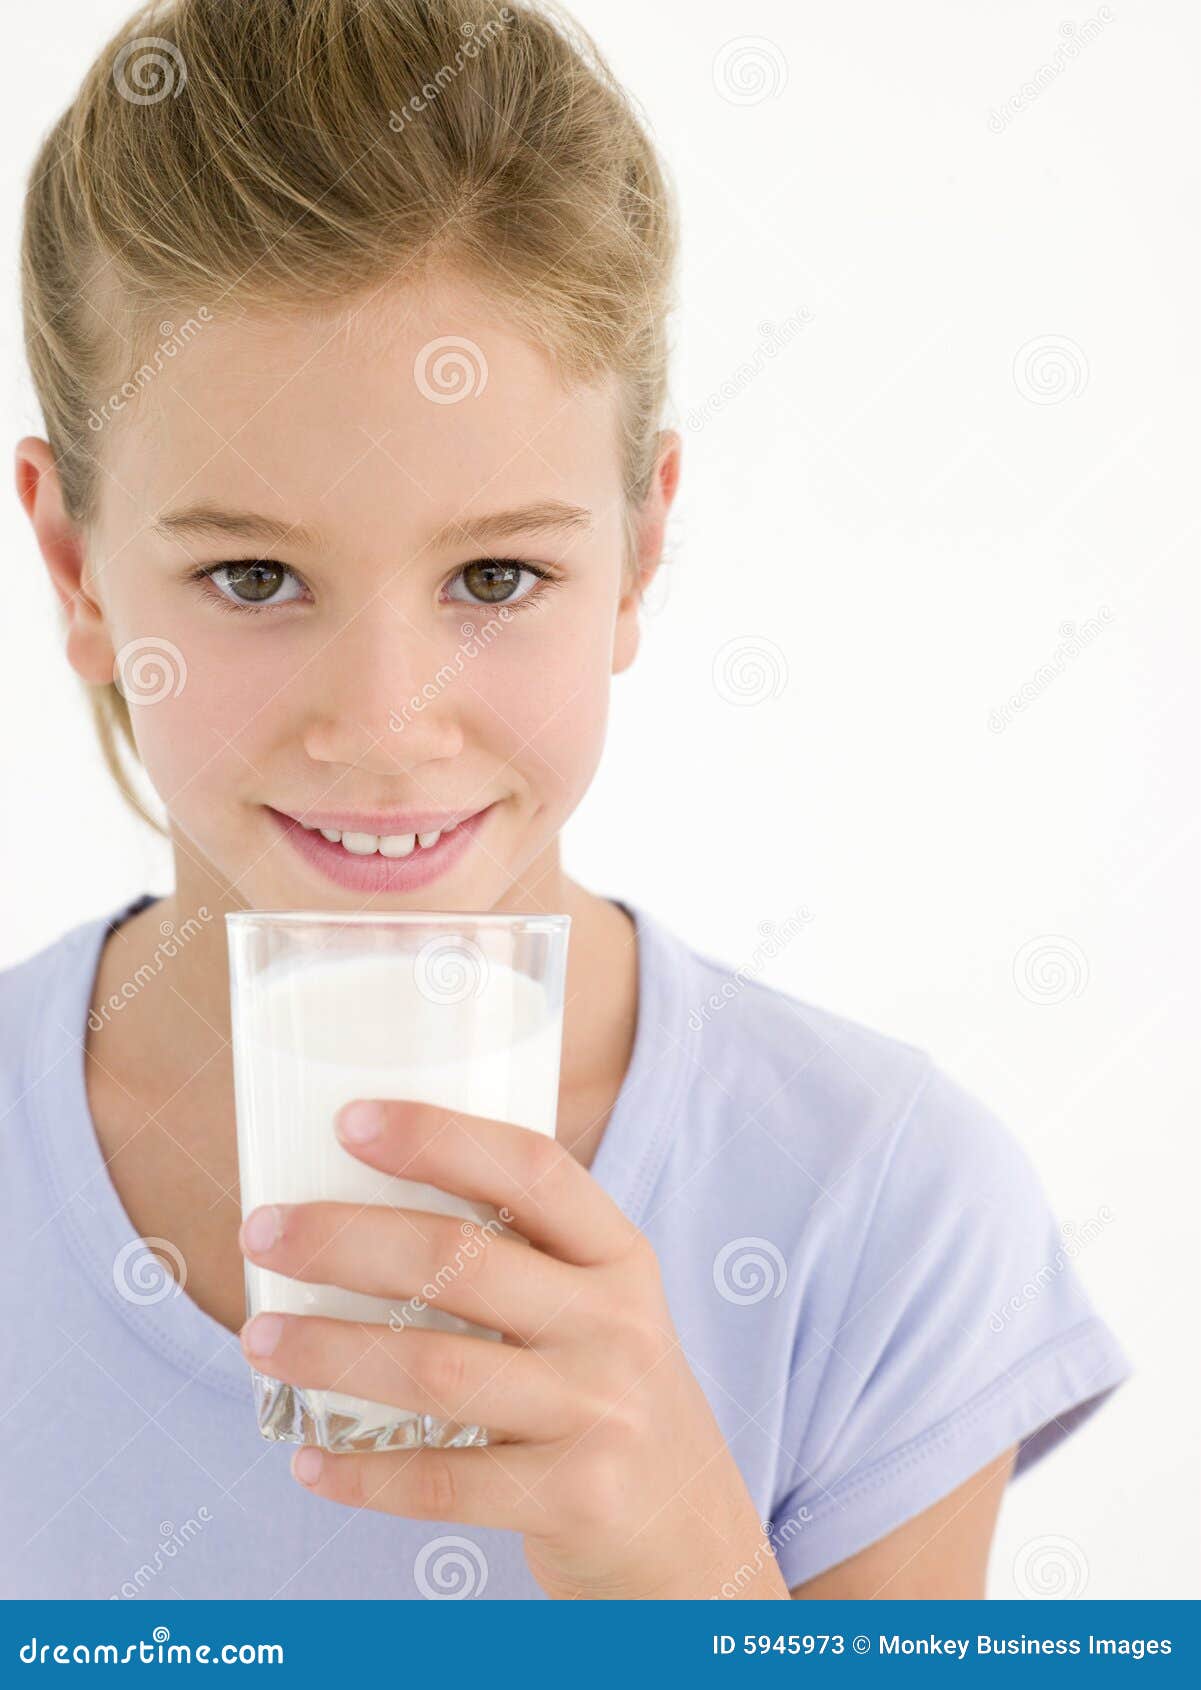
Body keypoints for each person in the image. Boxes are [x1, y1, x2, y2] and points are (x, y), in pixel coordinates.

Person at [0, 0, 1129, 1601]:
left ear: (638, 552)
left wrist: (692, 1576)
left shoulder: (880, 1207)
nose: (385, 728)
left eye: (493, 575)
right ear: (76, 567)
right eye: (251, 575)